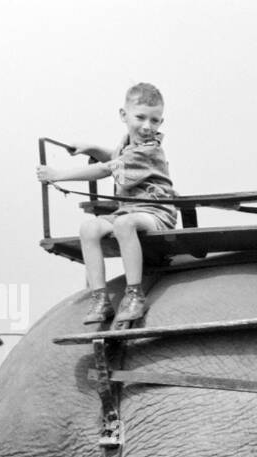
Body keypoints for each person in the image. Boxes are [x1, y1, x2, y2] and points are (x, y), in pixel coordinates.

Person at [35, 82, 177, 328]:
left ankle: (134, 294)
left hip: (155, 212)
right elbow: (113, 156)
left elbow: (105, 168)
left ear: (160, 123)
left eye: (154, 121)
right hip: (130, 209)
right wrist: (91, 148)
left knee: (123, 224)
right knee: (88, 229)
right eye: (140, 117)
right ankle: (100, 298)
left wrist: (58, 175)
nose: (147, 126)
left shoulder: (149, 149)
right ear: (124, 115)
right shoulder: (128, 144)